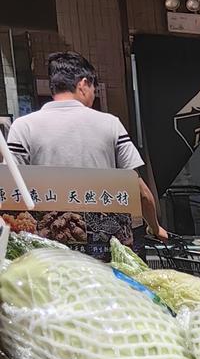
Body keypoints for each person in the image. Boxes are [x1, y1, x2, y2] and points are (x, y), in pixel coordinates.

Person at [5, 51, 165, 251]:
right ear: (82, 84)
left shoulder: (23, 126)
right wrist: (155, 227)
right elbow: (140, 192)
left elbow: (10, 192)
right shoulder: (111, 125)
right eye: (93, 89)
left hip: (47, 249)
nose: (93, 95)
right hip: (104, 249)